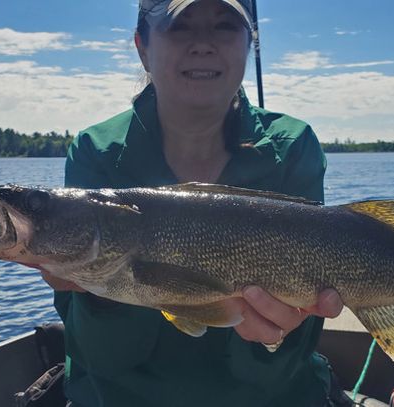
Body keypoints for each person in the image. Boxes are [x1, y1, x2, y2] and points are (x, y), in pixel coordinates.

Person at [42, 0, 345, 405]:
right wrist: (95, 288)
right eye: (180, 27)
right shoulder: (96, 151)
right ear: (142, 47)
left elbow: (286, 349)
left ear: (248, 44)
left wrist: (281, 332)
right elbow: (102, 356)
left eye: (224, 26)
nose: (203, 44)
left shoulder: (292, 146)